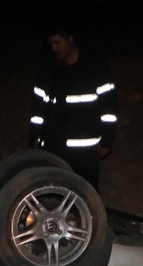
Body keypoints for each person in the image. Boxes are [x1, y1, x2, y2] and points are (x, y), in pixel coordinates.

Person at [30, 26, 117, 191]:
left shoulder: (93, 65)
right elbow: (39, 104)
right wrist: (35, 134)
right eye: (51, 44)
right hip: (54, 142)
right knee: (55, 186)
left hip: (85, 144)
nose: (54, 48)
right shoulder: (50, 68)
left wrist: (107, 138)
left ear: (70, 39)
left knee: (86, 188)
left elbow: (109, 105)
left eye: (58, 42)